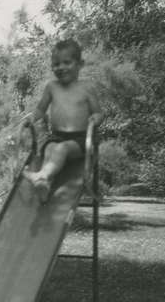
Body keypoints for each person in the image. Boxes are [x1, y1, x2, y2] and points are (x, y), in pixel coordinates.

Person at [21, 38, 104, 203]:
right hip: (57, 136)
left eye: (67, 62)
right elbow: (40, 109)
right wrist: (32, 118)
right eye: (56, 64)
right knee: (50, 149)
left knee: (60, 149)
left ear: (80, 64)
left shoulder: (86, 88)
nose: (61, 67)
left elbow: (99, 113)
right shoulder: (51, 87)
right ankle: (45, 186)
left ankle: (41, 176)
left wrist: (96, 118)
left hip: (80, 139)